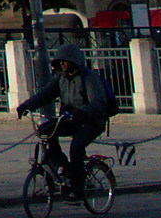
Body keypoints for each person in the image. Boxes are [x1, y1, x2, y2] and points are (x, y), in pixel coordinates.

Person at [18, 43, 115, 183]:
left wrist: (82, 112)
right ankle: (66, 167)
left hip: (92, 121)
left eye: (65, 60)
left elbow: (98, 103)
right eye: (59, 61)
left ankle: (78, 189)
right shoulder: (61, 78)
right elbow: (46, 95)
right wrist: (26, 106)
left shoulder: (88, 77)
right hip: (71, 119)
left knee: (76, 147)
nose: (62, 63)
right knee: (45, 131)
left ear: (74, 61)